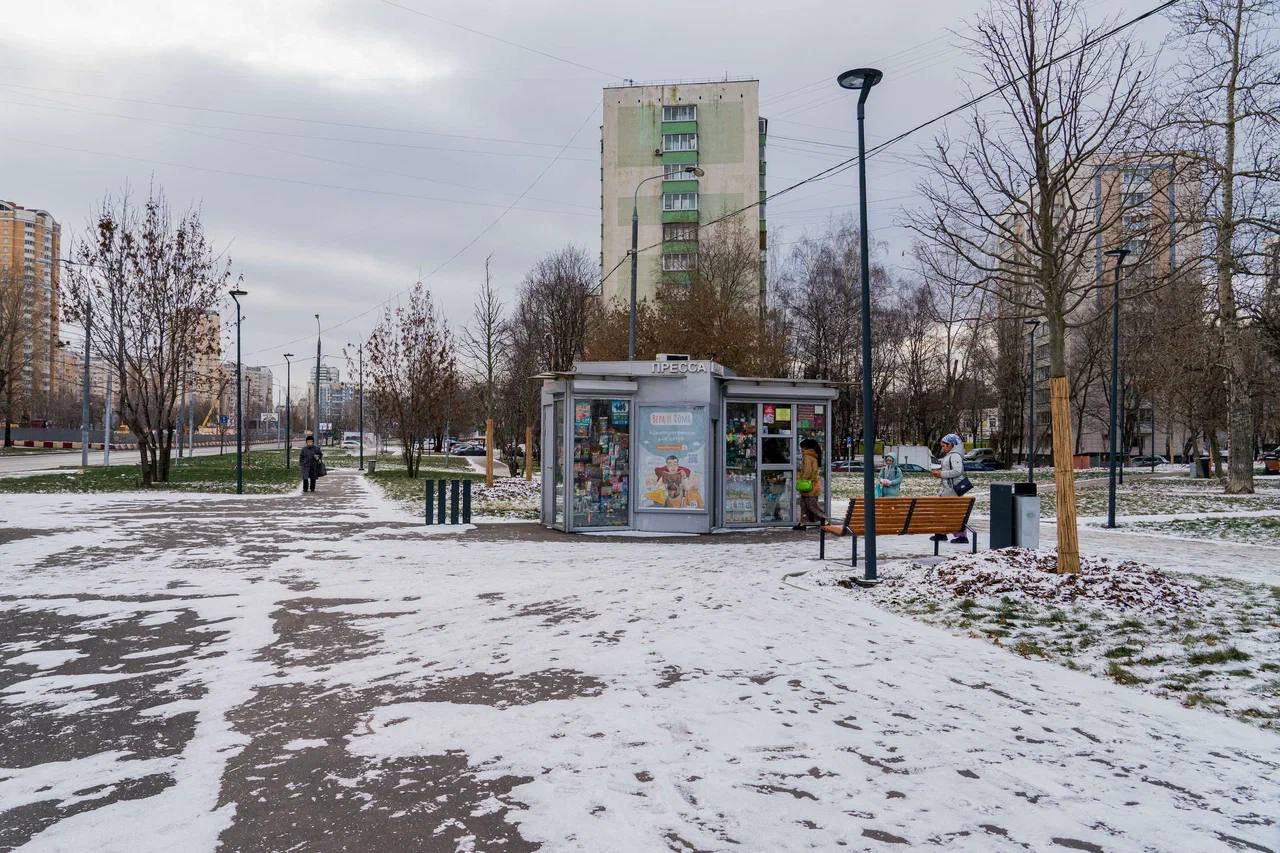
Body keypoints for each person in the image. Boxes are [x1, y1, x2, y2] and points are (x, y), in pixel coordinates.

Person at [930, 433, 968, 544]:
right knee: (943, 511)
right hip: (948, 489)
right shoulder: (951, 455)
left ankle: (959, 536)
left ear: (951, 445)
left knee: (952, 513)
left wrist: (941, 474)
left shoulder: (955, 455)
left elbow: (957, 471)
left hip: (952, 490)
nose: (943, 447)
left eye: (944, 445)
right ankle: (942, 533)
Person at [794, 437, 825, 530]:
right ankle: (802, 523)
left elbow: (807, 471)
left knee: (811, 505)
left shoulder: (807, 456)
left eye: (802, 447)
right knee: (804, 505)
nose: (801, 449)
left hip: (809, 486)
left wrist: (801, 479)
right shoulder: (813, 456)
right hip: (811, 485)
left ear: (805, 447)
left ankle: (825, 520)